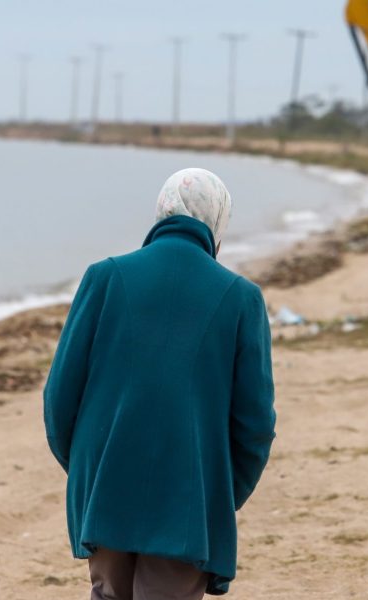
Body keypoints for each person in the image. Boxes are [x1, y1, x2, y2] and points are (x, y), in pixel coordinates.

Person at [43, 168, 277, 599]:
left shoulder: (105, 277)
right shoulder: (242, 298)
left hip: (106, 489)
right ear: (217, 225)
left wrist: (88, 474)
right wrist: (219, 495)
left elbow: (59, 401)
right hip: (190, 502)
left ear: (160, 214)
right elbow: (255, 425)